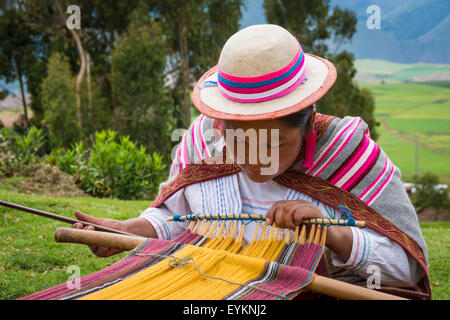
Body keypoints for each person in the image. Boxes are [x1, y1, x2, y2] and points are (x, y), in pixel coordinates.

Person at [73, 24, 430, 296]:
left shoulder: (347, 153)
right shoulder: (202, 142)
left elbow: (406, 269)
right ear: (220, 123)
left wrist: (332, 234)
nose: (253, 159)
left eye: (273, 144)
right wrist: (133, 230)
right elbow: (175, 217)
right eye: (238, 139)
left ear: (308, 125)